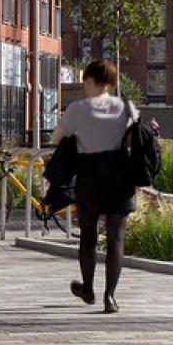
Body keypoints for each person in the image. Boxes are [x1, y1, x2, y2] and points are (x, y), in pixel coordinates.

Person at [49, 59, 137, 314]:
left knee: (88, 237)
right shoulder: (127, 108)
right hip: (120, 175)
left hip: (90, 176)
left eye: (85, 82)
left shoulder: (78, 109)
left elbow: (57, 138)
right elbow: (135, 140)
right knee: (116, 238)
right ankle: (110, 297)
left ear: (89, 81)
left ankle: (88, 288)